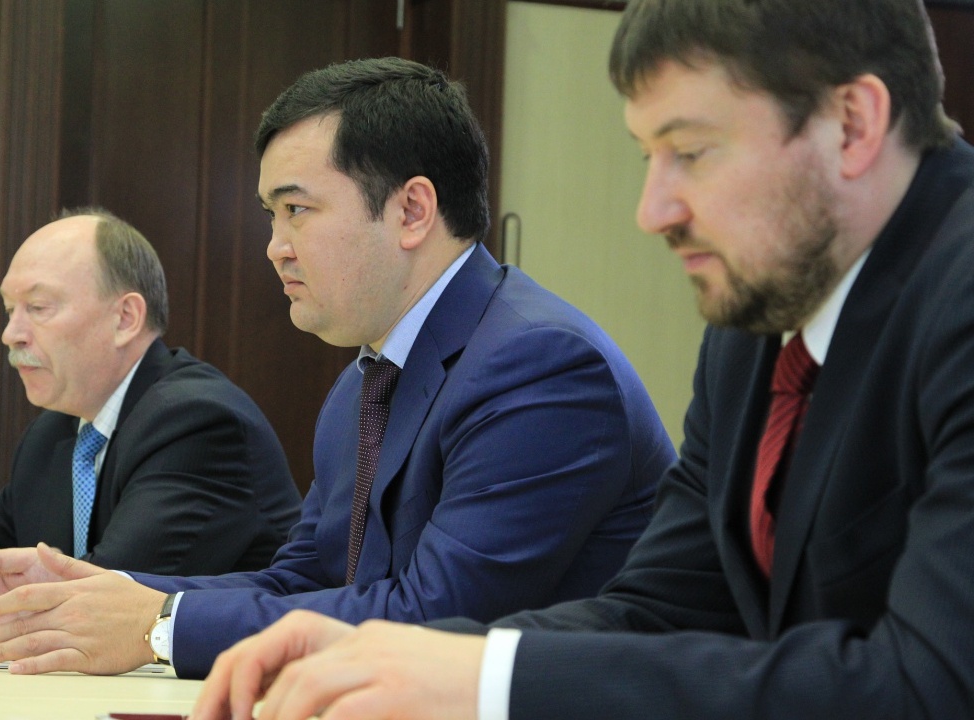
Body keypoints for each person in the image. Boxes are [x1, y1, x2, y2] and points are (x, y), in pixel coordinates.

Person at [185, 1, 974, 718]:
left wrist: (483, 682)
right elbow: (663, 609)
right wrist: (421, 659)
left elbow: (933, 686)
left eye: (691, 152)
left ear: (853, 125)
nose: (652, 211)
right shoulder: (755, 326)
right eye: (647, 157)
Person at [0, 59, 675, 680]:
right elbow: (304, 578)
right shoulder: (365, 380)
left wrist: (159, 624)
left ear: (412, 211)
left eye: (297, 210)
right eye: (271, 215)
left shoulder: (539, 365)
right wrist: (97, 593)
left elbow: (436, 616)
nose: (275, 246)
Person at [0, 208, 301, 576]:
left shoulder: (196, 423)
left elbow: (109, 591)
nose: (11, 334)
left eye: (38, 307)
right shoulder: (50, 436)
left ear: (125, 318)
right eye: (9, 309)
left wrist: (0, 589)